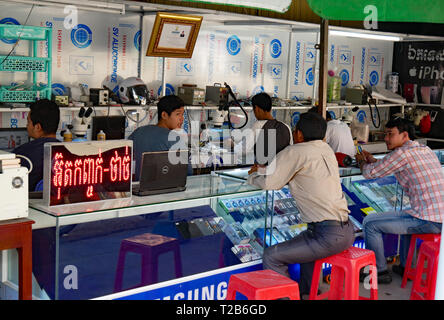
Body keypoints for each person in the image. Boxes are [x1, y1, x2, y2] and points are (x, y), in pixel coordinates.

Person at [247, 111, 355, 297]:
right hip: (346, 231)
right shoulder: (326, 149)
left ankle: (286, 296)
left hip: (326, 235)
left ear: (298, 134)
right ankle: (308, 293)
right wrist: (265, 169)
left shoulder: (295, 151)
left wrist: (252, 175)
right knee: (307, 254)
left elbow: (269, 184)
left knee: (271, 256)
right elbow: (300, 172)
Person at [355, 117, 444, 284]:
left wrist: (361, 161)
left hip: (427, 219)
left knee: (370, 223)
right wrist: (373, 161)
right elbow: (388, 166)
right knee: (407, 217)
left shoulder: (401, 153)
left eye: (390, 134)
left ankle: (379, 272)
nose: (386, 138)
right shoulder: (424, 149)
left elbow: (369, 174)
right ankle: (406, 268)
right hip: (438, 217)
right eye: (385, 134)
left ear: (404, 135)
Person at [129, 95, 188, 179]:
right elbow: (188, 172)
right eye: (178, 114)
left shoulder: (138, 132)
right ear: (164, 115)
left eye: (183, 115)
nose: (181, 119)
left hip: (140, 189)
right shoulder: (174, 139)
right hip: (167, 189)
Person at [13, 99, 60, 192]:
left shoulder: (21, 155)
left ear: (37, 127)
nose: (27, 126)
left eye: (28, 122)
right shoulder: (66, 151)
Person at [233, 92, 292, 165]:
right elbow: (290, 150)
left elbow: (242, 150)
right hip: (283, 170)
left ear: (257, 109)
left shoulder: (258, 125)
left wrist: (233, 145)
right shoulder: (286, 127)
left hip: (264, 172)